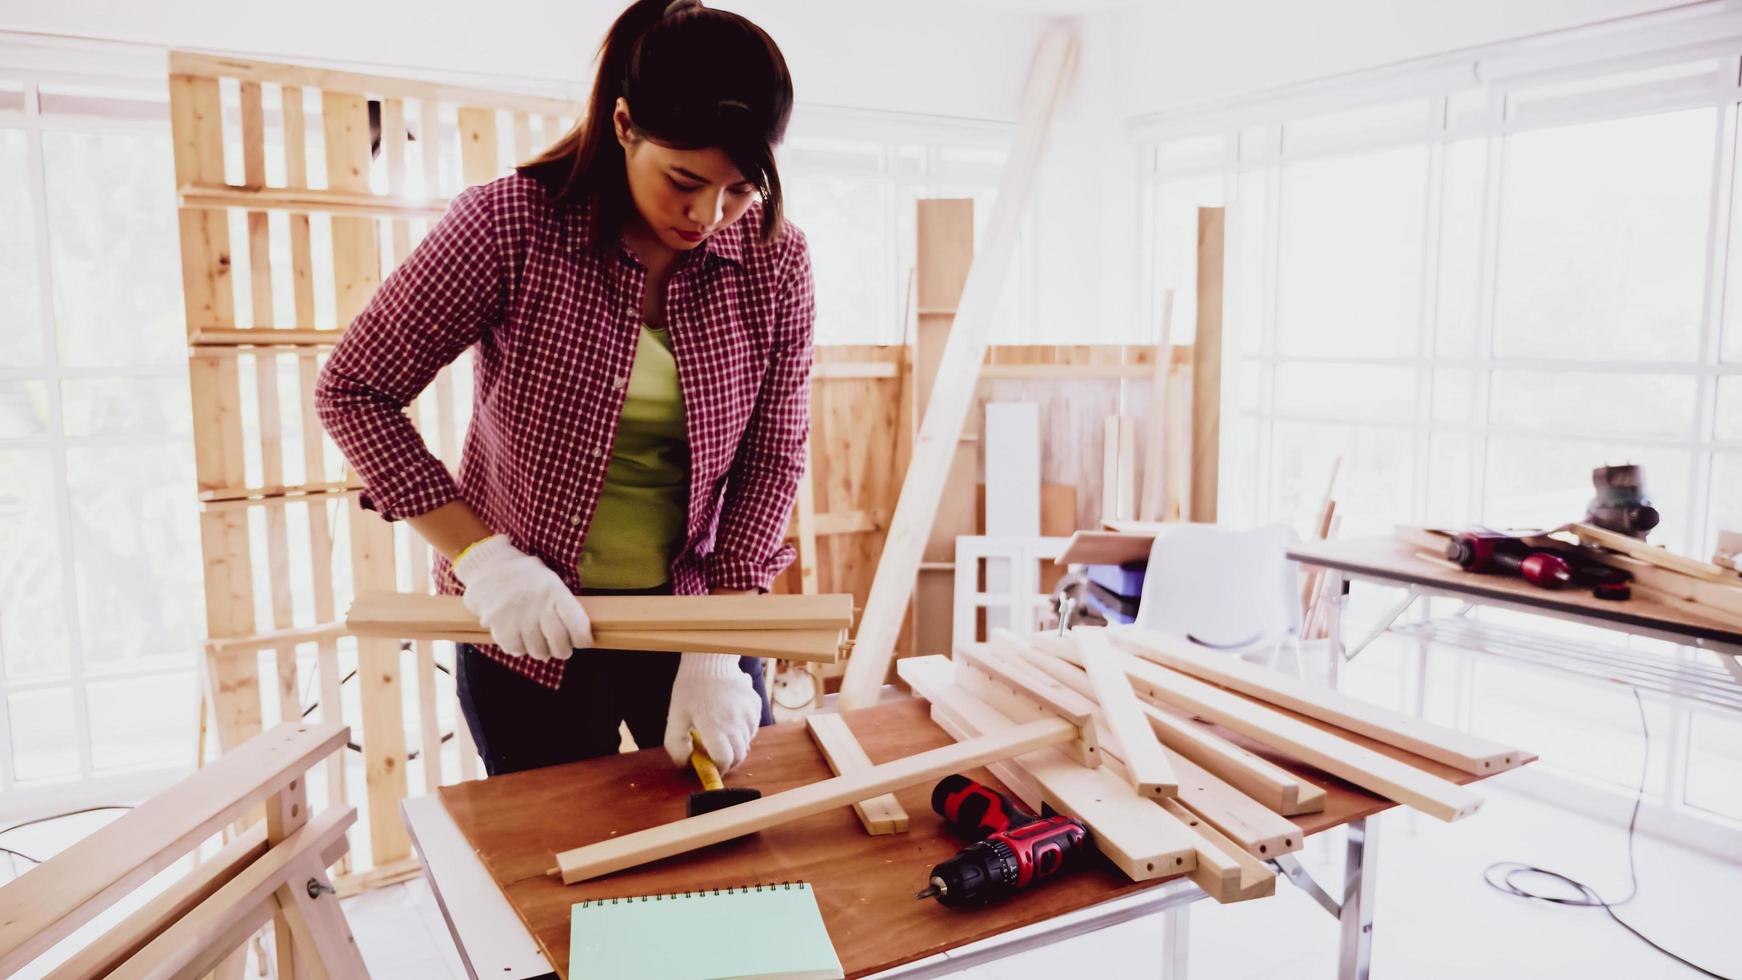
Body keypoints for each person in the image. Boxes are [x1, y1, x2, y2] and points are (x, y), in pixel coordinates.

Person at [316, 0, 812, 778]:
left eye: (740, 191)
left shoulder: (776, 262)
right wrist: (485, 561)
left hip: (694, 612)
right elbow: (353, 389)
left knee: (730, 836)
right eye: (684, 180)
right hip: (526, 622)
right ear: (623, 126)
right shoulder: (508, 226)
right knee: (553, 860)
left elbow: (774, 456)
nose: (708, 216)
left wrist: (721, 636)